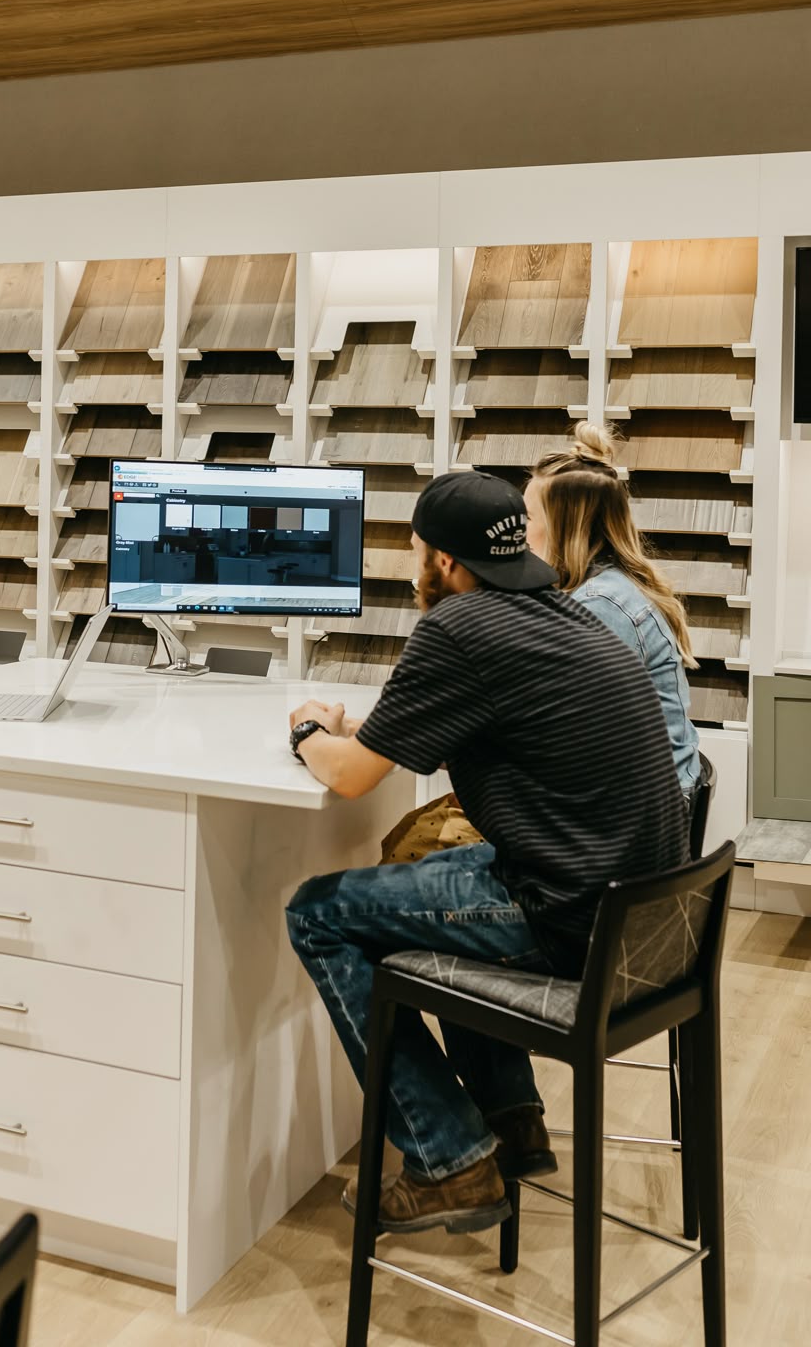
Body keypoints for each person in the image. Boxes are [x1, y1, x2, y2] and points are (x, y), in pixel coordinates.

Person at [285, 470, 688, 1238]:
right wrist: (358, 729)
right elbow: (435, 724)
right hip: (640, 919)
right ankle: (510, 1118)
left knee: (319, 914)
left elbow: (348, 777)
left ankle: (449, 1160)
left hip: (569, 920)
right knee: (416, 876)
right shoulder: (561, 613)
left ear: (442, 563)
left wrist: (310, 729)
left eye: (415, 552)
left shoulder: (459, 627)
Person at [525, 422, 701, 798]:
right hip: (634, 798)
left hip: (637, 815)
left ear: (562, 528)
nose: (521, 533)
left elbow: (556, 727)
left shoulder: (600, 607)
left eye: (528, 519)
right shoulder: (599, 589)